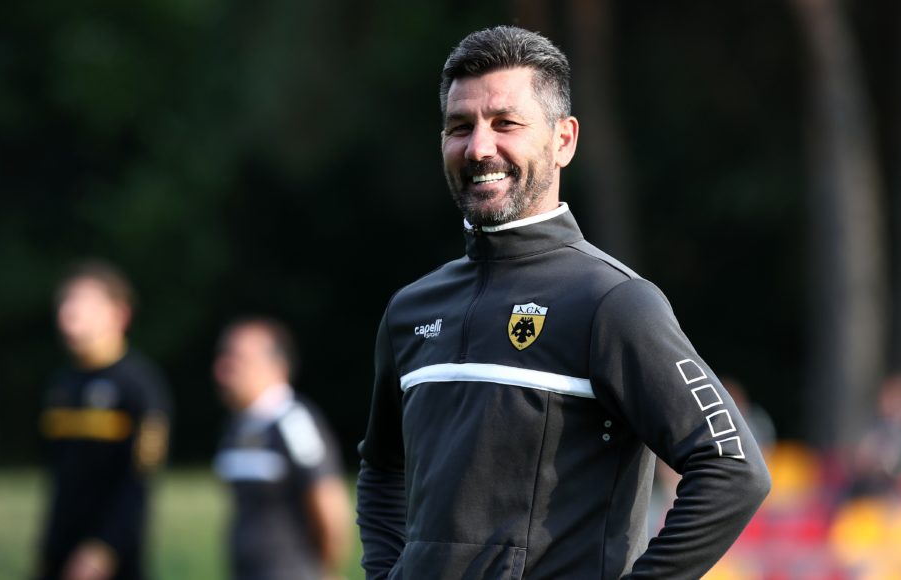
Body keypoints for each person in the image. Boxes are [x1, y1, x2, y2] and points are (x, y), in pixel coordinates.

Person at [356, 26, 771, 579]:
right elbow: (382, 467)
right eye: (460, 126)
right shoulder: (411, 309)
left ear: (563, 141)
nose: (479, 147)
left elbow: (733, 469)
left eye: (505, 123)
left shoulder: (613, 302)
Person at [37, 261, 171, 580]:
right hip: (59, 549)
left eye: (83, 303)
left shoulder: (140, 387)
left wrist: (105, 547)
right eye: (65, 302)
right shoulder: (60, 386)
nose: (68, 312)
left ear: (119, 314)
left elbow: (140, 481)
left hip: (113, 558)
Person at [212, 317, 352, 580]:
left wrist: (324, 571)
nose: (222, 369)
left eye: (237, 359)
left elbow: (329, 506)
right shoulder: (237, 425)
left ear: (275, 367)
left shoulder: (295, 423)